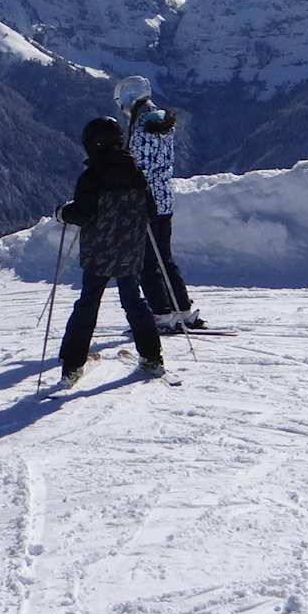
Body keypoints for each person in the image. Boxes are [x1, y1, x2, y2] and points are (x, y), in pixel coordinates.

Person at [52, 117, 166, 390]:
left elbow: (83, 213)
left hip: (98, 254)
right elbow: (151, 212)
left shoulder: (92, 176)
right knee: (134, 301)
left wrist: (62, 213)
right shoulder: (136, 173)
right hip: (130, 252)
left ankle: (72, 366)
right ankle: (152, 357)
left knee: (88, 303)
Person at [115, 76, 202, 332]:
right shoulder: (160, 122)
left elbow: (137, 168)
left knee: (146, 261)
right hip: (164, 199)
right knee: (164, 257)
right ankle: (182, 308)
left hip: (145, 202)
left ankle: (160, 313)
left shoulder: (141, 126)